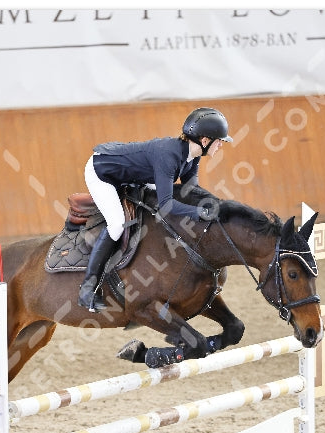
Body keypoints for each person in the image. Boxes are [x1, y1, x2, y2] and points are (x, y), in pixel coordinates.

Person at [78, 107, 233, 312]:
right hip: (103, 172)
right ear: (205, 141)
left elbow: (190, 190)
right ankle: (87, 289)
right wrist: (198, 213)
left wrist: (216, 205)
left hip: (134, 175)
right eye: (219, 140)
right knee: (117, 224)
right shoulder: (169, 155)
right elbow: (167, 204)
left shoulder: (192, 156)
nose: (221, 144)